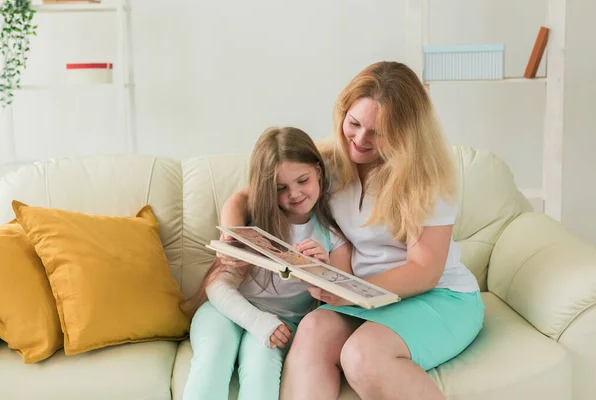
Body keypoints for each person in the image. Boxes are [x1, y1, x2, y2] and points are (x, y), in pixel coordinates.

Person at [220, 61, 485, 400]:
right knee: (312, 331)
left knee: (361, 355)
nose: (360, 139)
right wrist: (231, 232)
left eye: (378, 131)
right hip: (361, 296)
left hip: (437, 296)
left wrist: (351, 291)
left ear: (406, 132)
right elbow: (247, 194)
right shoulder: (328, 161)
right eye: (354, 123)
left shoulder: (427, 178)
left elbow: (425, 271)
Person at [181, 127, 351, 400]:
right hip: (224, 311)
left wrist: (323, 270)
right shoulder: (255, 221)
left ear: (318, 171)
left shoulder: (332, 237)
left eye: (302, 180)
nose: (294, 194)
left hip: (282, 324)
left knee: (261, 368)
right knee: (214, 355)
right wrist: (257, 322)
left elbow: (344, 298)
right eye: (280, 188)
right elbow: (218, 286)